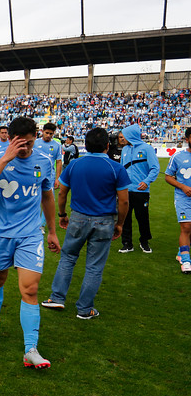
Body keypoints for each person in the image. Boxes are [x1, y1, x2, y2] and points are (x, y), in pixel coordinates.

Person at [0, 116, 61, 369]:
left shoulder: (43, 162)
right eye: (21, 144)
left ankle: (30, 349)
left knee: (30, 290)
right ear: (11, 139)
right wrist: (6, 158)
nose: (26, 149)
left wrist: (53, 231)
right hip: (0, 233)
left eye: (30, 144)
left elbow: (47, 197)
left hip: (31, 233)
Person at [42, 128, 130, 319]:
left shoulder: (74, 165)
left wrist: (62, 214)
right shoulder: (116, 168)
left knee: (68, 258)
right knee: (94, 266)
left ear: (86, 145)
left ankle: (56, 297)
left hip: (78, 217)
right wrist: (120, 223)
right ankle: (84, 308)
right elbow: (123, 201)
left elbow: (62, 193)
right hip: (105, 220)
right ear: (108, 146)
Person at [118, 123, 160, 254]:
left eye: (125, 135)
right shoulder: (125, 150)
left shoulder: (147, 148)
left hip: (141, 191)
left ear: (131, 135)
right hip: (125, 190)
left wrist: (147, 182)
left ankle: (144, 241)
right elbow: (121, 169)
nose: (122, 138)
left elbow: (155, 168)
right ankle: (127, 243)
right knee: (125, 217)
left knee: (142, 217)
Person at [164, 127, 191, 273]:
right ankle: (186, 261)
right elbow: (168, 176)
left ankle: (182, 252)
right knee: (186, 227)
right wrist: (183, 187)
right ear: (187, 139)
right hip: (183, 197)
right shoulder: (178, 157)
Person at [34, 122, 62, 188]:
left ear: (54, 133)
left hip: (50, 176)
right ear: (42, 131)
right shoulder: (35, 143)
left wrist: (57, 179)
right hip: (36, 174)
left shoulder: (57, 145)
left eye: (51, 134)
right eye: (46, 133)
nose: (48, 135)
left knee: (49, 197)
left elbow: (59, 162)